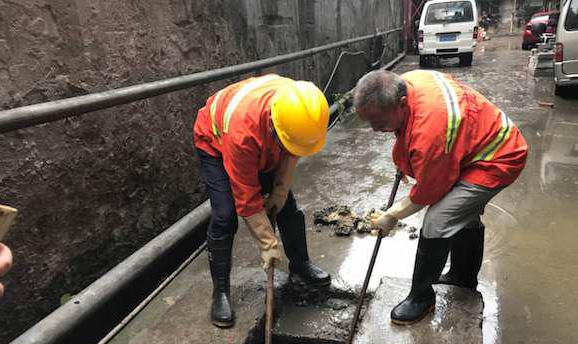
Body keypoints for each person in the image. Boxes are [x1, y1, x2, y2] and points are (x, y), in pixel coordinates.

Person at [354, 69, 528, 325]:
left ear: (401, 104)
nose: (374, 129)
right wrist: (405, 157)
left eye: (378, 122)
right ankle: (462, 277)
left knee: (438, 219)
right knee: (462, 214)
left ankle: (421, 297)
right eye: (369, 122)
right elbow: (411, 135)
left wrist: (392, 215)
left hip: (496, 157)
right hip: (471, 145)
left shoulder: (432, 130)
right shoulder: (409, 83)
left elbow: (428, 191)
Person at [194, 74, 331, 328]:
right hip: (216, 142)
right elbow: (247, 199)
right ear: (273, 125)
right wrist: (267, 243)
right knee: (224, 216)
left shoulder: (299, 107)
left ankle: (300, 265)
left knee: (287, 206)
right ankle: (220, 292)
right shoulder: (243, 135)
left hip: (264, 139)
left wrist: (279, 193)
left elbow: (291, 152)